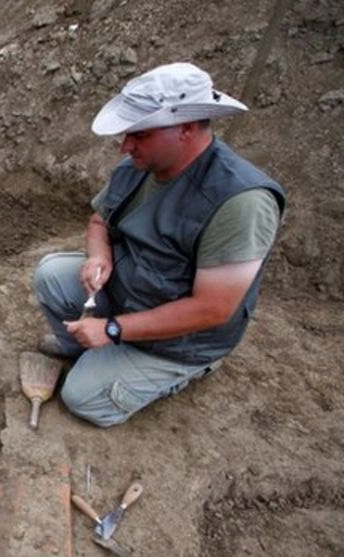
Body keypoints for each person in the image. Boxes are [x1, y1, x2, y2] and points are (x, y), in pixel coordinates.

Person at [32, 63, 286, 428]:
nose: (126, 145)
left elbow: (212, 309)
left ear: (185, 129)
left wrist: (112, 330)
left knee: (82, 398)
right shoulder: (139, 166)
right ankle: (88, 353)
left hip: (181, 340)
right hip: (133, 294)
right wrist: (100, 257)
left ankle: (183, 371)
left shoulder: (240, 201)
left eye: (141, 134)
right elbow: (100, 222)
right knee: (52, 274)